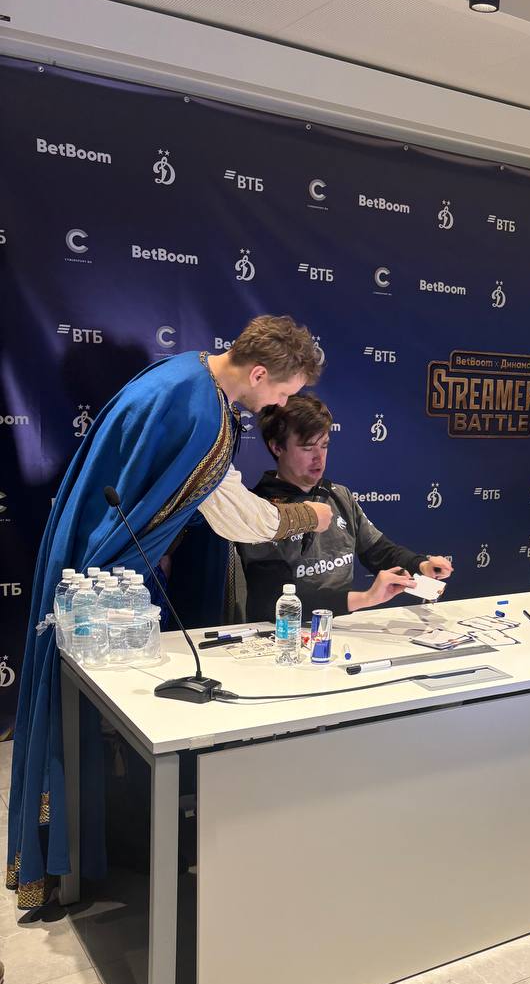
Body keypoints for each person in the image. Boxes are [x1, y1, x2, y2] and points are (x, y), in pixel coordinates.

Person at [7, 315, 330, 909]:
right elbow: (241, 519)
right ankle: (80, 854)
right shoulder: (202, 414)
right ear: (260, 373)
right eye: (285, 392)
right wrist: (310, 516)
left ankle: (86, 848)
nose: (282, 405)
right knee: (91, 718)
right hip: (100, 586)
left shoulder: (186, 375)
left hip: (96, 565)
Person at [239, 394, 453, 621]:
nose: (319, 458)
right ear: (277, 447)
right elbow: (273, 601)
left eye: (324, 445)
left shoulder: (338, 495)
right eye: (307, 448)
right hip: (282, 634)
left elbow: (380, 552)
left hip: (337, 627)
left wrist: (421, 565)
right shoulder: (259, 510)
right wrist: (366, 598)